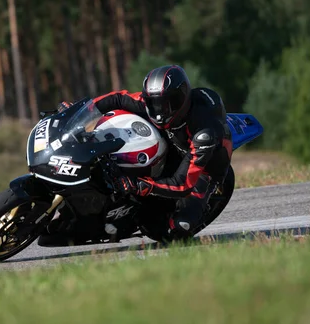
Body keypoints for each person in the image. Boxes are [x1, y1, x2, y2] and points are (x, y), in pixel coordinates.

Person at [92, 65, 233, 241]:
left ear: (182, 98)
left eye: (168, 104)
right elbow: (118, 98)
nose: (159, 111)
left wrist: (138, 185)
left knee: (177, 230)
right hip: (173, 145)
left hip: (204, 168)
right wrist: (83, 109)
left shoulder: (203, 132)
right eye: (154, 103)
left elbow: (182, 184)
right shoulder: (152, 103)